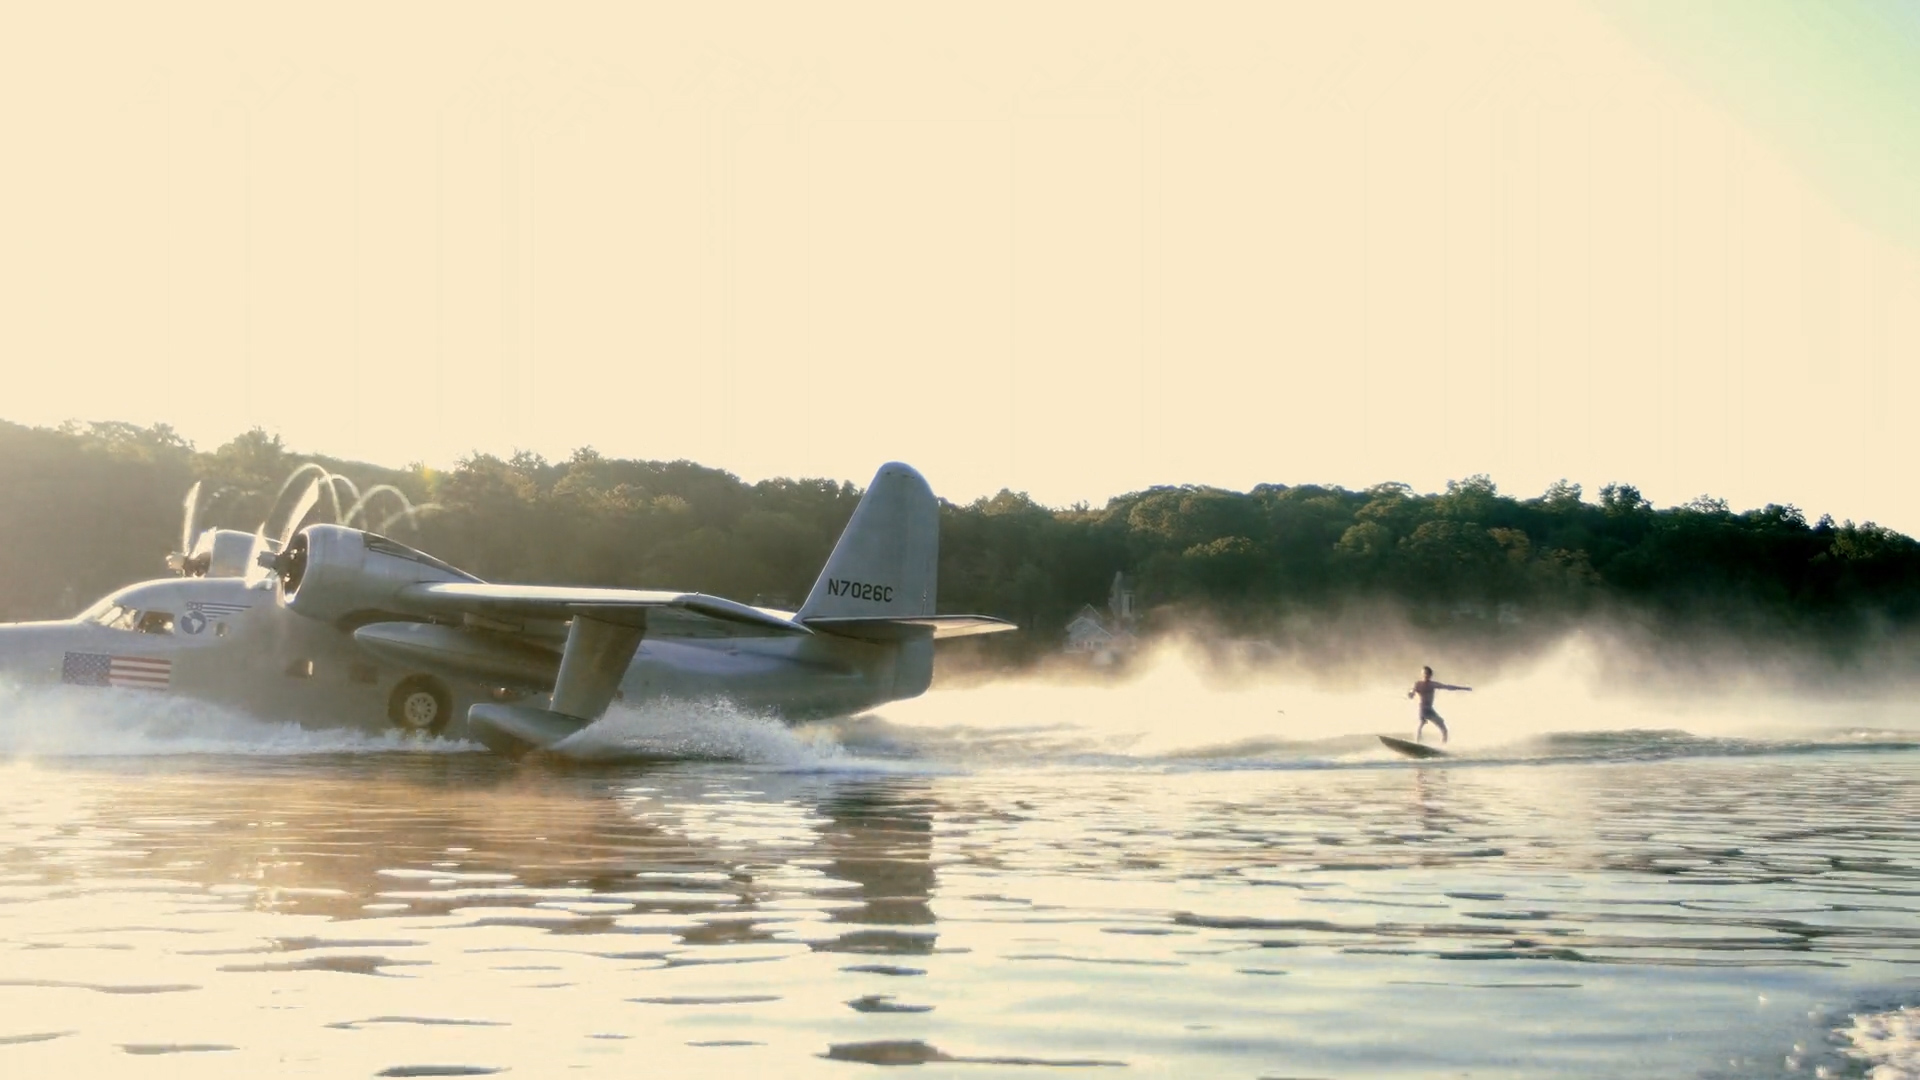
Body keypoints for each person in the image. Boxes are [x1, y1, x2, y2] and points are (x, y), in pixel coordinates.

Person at [1407, 665, 1470, 743]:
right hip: (1422, 709)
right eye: (1424, 674)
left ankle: (1443, 746)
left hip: (1430, 709)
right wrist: (1410, 694)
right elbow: (1412, 692)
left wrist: (1464, 688)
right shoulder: (1418, 684)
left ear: (1430, 675)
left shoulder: (1432, 684)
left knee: (1443, 728)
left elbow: (1448, 687)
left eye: (1427, 674)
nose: (1426, 676)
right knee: (1421, 722)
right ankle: (1417, 743)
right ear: (1422, 674)